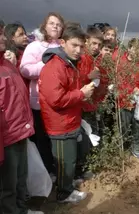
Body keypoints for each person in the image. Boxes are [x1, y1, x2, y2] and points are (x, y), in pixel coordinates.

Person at [39, 25, 94, 203]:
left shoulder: (68, 64)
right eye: (74, 45)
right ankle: (64, 194)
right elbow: (56, 99)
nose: (78, 50)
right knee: (64, 162)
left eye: (81, 46)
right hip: (60, 124)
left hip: (70, 120)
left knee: (69, 159)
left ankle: (68, 187)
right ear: (63, 42)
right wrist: (82, 94)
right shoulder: (55, 67)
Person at [0, 19, 39, 214]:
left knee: (21, 176)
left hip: (20, 131)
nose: (2, 37)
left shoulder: (8, 63)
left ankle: (22, 209)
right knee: (9, 184)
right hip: (6, 138)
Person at [20, 12, 65, 179]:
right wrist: (46, 66)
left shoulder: (62, 47)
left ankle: (58, 169)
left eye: (58, 24)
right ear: (45, 26)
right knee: (42, 139)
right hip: (39, 102)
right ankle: (47, 171)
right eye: (52, 23)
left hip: (58, 101)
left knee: (55, 137)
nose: (55, 26)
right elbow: (25, 69)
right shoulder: (35, 46)